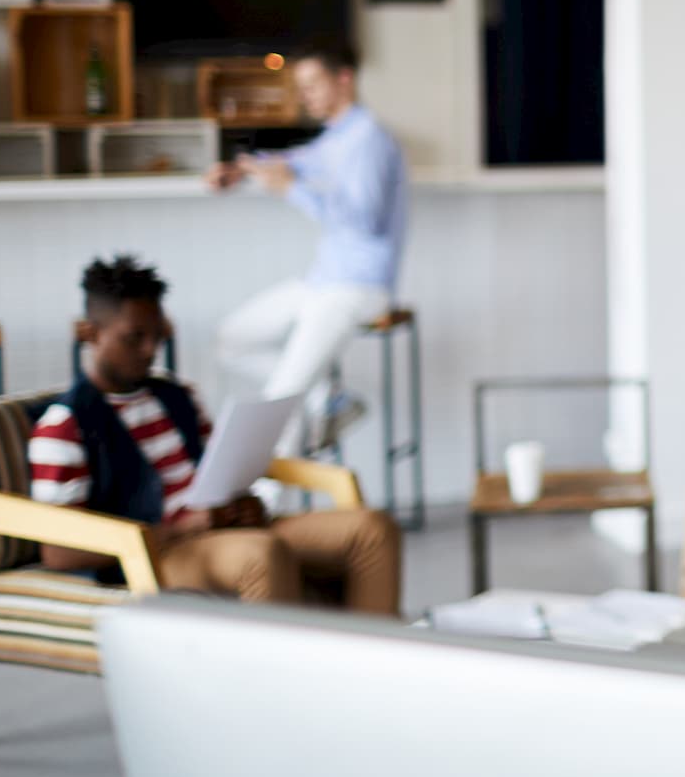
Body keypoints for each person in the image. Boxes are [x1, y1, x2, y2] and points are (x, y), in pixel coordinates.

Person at [28, 256, 401, 613]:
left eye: (157, 336)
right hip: (159, 553)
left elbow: (215, 471)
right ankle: (282, 678)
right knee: (260, 555)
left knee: (371, 529)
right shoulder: (64, 427)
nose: (149, 351)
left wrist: (244, 502)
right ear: (90, 334)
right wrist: (180, 528)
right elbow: (58, 552)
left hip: (220, 531)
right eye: (133, 338)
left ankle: (371, 668)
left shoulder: (178, 397)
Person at [207, 40, 408, 454]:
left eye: (313, 83)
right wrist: (241, 169)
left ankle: (268, 501)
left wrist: (294, 190)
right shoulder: (338, 137)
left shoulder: (368, 140)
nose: (305, 95)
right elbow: (298, 160)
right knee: (232, 340)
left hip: (358, 288)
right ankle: (326, 400)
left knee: (282, 396)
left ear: (344, 79)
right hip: (324, 282)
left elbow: (365, 222)